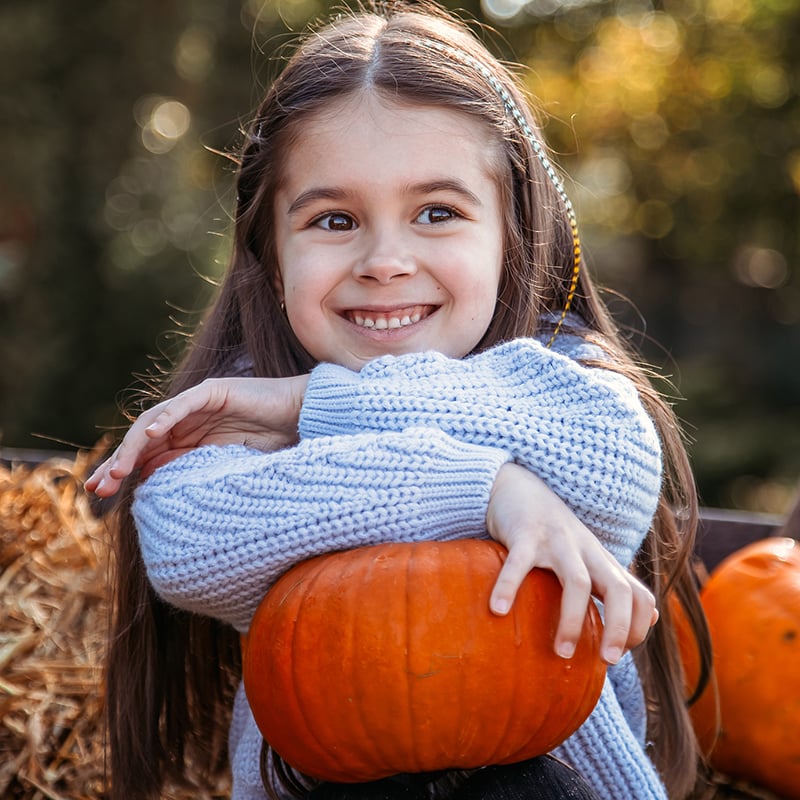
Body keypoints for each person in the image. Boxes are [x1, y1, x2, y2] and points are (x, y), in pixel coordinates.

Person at [86, 3, 712, 799]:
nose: (385, 260)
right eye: (335, 219)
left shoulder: (562, 372)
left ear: (511, 233)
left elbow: (610, 461)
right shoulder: (237, 398)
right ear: (271, 255)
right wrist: (486, 490)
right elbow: (185, 536)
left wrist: (319, 406)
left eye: (437, 213)